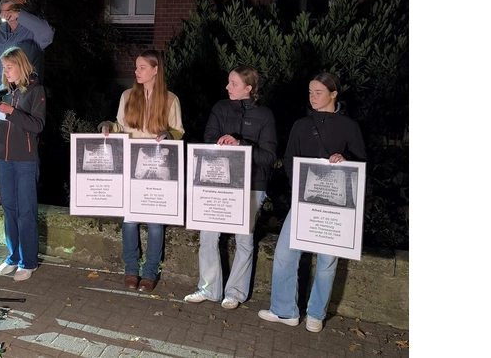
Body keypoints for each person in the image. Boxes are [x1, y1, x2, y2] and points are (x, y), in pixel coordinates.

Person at [258, 72, 367, 333]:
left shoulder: (349, 126)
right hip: (303, 201)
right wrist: (298, 186)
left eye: (318, 92)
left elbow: (361, 161)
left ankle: (316, 314)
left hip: (336, 205)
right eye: (310, 92)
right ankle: (285, 311)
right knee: (285, 254)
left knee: (327, 260)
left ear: (334, 94)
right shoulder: (301, 125)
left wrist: (346, 158)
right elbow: (288, 157)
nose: (313, 97)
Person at [183, 65, 277, 309]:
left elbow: (268, 157)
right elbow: (208, 140)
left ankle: (235, 292)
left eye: (233, 83)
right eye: (228, 82)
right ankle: (209, 288)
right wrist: (221, 142)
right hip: (217, 185)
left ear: (249, 88)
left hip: (252, 185)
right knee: (208, 236)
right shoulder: (220, 108)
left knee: (244, 240)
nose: (227, 87)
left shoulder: (265, 115)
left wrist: (241, 143)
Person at [98, 49, 185, 293]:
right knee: (130, 221)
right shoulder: (127, 96)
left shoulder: (170, 100)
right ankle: (131, 269)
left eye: (141, 67)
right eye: (136, 67)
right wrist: (109, 127)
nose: (136, 71)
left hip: (158, 169)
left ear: (156, 70)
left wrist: (169, 135)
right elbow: (120, 126)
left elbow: (178, 130)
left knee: (156, 224)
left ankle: (150, 271)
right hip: (131, 166)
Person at [0, 47, 46, 282]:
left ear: (21, 65)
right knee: (9, 210)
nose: (5, 71)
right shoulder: (4, 91)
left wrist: (12, 111)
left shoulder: (36, 90)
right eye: (3, 67)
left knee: (26, 212)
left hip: (25, 159)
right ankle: (13, 256)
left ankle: (29, 261)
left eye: (9, 66)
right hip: (3, 158)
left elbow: (37, 125)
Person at [0, 0, 54, 207]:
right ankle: (2, 190)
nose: (7, 14)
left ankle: (27, 194)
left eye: (12, 10)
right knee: (1, 143)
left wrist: (20, 16)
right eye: (4, 10)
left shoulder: (33, 34)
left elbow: (48, 33)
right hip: (2, 98)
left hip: (26, 99)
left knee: (26, 146)